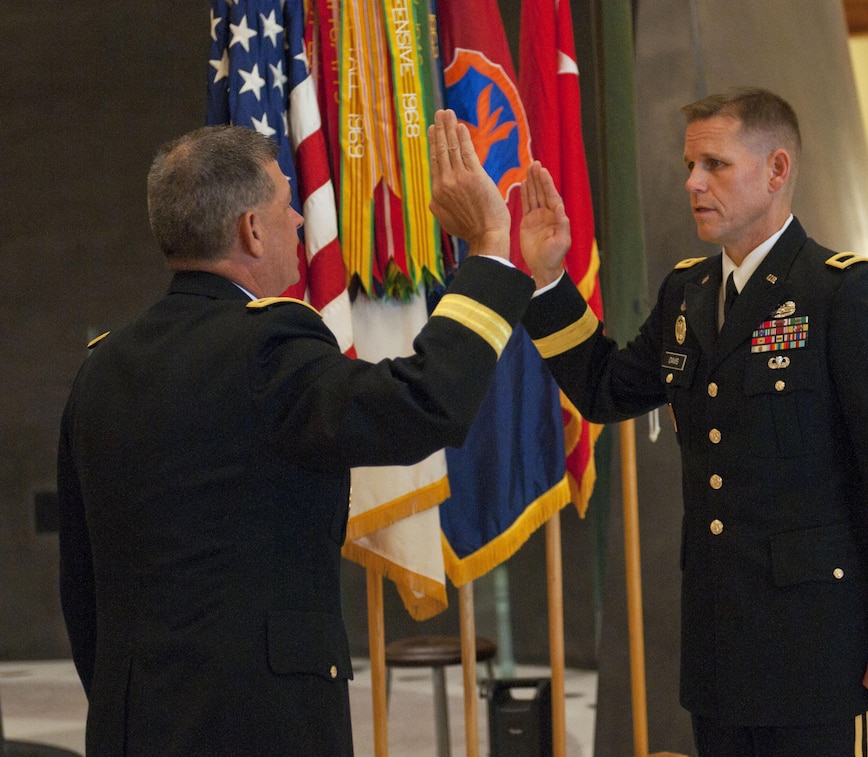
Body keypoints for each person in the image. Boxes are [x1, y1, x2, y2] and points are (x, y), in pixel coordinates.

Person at [56, 111, 533, 756]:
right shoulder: (266, 345)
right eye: (288, 201)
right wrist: (490, 250)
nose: (302, 219)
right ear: (251, 229)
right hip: (262, 726)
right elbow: (422, 404)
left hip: (131, 723)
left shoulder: (100, 368)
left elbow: (81, 584)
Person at [518, 87, 868, 756]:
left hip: (822, 648)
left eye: (716, 165)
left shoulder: (840, 291)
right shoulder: (687, 292)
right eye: (690, 166)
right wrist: (549, 282)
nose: (694, 183)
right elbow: (606, 390)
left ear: (777, 170)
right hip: (721, 648)